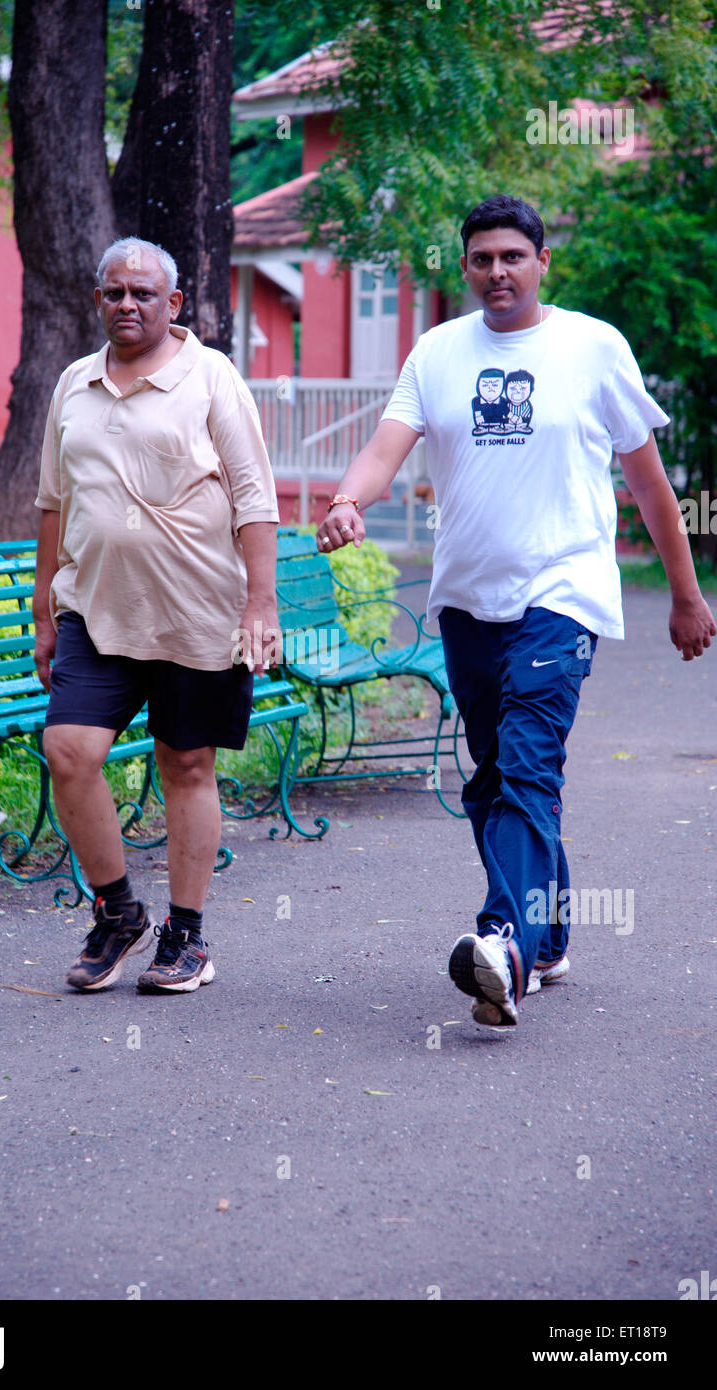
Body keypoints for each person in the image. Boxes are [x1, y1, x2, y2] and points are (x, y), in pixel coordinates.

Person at [315, 194, 715, 1028]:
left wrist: (685, 593)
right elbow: (386, 449)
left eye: (512, 257)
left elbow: (648, 484)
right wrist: (350, 501)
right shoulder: (437, 352)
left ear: (541, 263)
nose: (497, 271)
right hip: (465, 597)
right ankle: (550, 931)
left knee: (529, 766)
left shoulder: (593, 347)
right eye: (481, 259)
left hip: (561, 594)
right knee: (494, 777)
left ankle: (504, 945)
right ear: (464, 267)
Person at [32, 238, 280, 995]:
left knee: (186, 764)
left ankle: (188, 936)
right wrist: (44, 609)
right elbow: (52, 502)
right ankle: (116, 913)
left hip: (197, 612)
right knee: (70, 752)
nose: (127, 305)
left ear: (175, 304)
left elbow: (253, 494)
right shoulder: (74, 384)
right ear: (98, 300)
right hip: (97, 613)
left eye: (143, 293)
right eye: (114, 293)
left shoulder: (211, 378)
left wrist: (260, 603)